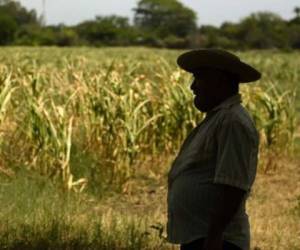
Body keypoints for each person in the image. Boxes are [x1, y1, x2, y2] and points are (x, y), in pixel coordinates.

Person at [166, 49, 261, 250]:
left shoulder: (232, 121)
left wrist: (214, 236)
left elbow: (233, 185)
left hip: (218, 241)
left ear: (218, 81)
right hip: (202, 236)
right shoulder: (219, 118)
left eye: (199, 78)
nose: (193, 87)